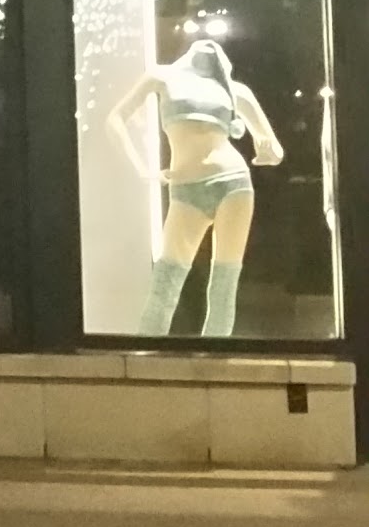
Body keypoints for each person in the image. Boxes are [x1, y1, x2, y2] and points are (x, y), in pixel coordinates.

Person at [107, 38, 284, 337]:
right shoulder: (162, 77)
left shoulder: (235, 91)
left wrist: (266, 150)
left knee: (224, 283)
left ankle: (215, 359)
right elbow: (115, 119)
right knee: (166, 282)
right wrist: (141, 168)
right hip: (187, 189)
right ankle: (146, 354)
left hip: (234, 184)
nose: (208, 47)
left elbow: (276, 152)